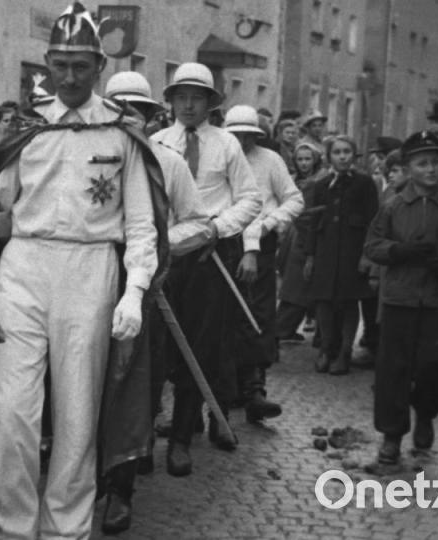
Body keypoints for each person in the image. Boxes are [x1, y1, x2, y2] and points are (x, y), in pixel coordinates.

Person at [0, 4, 163, 537]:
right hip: (23, 266)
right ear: (46, 64)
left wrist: (134, 292)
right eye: (60, 64)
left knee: (78, 410)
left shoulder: (121, 133)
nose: (69, 77)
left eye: (80, 65)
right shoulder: (27, 128)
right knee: (11, 413)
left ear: (99, 65)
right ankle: (8, 527)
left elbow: (142, 225)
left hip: (91, 269)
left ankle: (66, 529)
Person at [98, 70, 218, 535]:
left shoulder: (167, 163)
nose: (128, 119)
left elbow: (200, 223)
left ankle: (120, 488)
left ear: (151, 117)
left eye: (138, 112)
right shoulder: (84, 154)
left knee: (134, 385)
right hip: (86, 282)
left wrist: (156, 246)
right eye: (118, 109)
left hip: (143, 287)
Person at [151, 61, 261, 475]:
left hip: (209, 260)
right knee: (158, 347)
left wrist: (216, 230)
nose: (189, 105)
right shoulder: (157, 142)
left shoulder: (227, 145)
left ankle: (181, 437)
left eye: (197, 97)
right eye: (182, 97)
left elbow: (251, 200)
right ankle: (146, 435)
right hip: (165, 258)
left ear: (211, 103)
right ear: (172, 101)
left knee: (199, 345)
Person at [363, 131, 438, 465]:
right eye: (422, 163)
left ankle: (427, 414)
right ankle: (391, 434)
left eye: (435, 162)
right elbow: (372, 246)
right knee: (393, 370)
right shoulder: (394, 206)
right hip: (399, 300)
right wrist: (399, 251)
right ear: (409, 167)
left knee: (436, 368)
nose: (430, 169)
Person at [224, 104, 303, 419]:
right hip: (226, 243)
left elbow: (295, 199)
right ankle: (228, 389)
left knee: (258, 315)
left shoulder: (270, 160)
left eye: (249, 135)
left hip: (262, 247)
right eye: (236, 135)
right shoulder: (220, 160)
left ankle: (255, 388)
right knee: (226, 316)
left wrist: (269, 224)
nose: (242, 142)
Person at [304, 135, 379, 375]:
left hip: (352, 253)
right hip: (326, 253)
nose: (343, 156)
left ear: (354, 155)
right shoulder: (321, 185)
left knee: (348, 302)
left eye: (347, 151)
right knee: (324, 302)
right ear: (329, 157)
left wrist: (367, 256)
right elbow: (313, 222)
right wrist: (310, 256)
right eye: (337, 152)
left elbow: (373, 222)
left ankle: (345, 352)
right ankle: (327, 349)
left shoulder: (364, 184)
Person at [276, 142, 324, 341]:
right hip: (292, 233)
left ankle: (285, 328)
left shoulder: (320, 181)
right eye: (300, 159)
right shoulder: (292, 180)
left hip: (308, 232)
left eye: (308, 159)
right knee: (293, 281)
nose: (304, 163)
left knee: (298, 283)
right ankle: (283, 329)